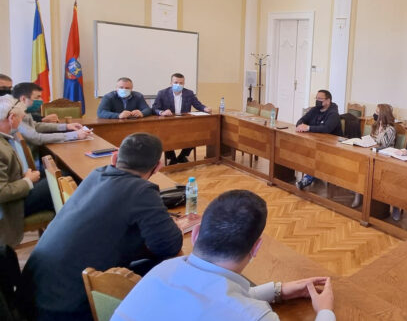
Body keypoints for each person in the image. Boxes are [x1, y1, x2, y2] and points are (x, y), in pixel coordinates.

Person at [20, 133, 183, 321]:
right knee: (168, 271)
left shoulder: (96, 175)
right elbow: (168, 246)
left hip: (31, 296)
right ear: (157, 167)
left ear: (114, 157)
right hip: (64, 310)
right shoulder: (142, 191)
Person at [112, 190, 336, 321]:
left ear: (196, 233)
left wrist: (278, 291)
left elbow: (215, 297)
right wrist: (325, 311)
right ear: (256, 248)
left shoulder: (163, 269)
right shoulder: (256, 316)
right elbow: (227, 303)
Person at [0, 96, 47, 247]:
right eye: (20, 118)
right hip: (11, 207)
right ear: (11, 118)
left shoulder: (6, 137)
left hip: (18, 189)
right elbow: (2, 192)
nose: (21, 122)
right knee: (58, 185)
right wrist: (27, 181)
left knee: (59, 176)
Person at [152, 73, 211, 165]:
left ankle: (182, 156)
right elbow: (154, 108)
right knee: (165, 136)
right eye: (176, 82)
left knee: (196, 134)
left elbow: (197, 104)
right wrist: (162, 112)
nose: (178, 85)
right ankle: (172, 158)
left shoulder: (189, 93)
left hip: (184, 123)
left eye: (181, 83)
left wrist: (205, 108)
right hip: (168, 124)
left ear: (184, 84)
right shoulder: (162, 93)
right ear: (171, 83)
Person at [12, 82, 90, 146]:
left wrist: (66, 126)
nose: (41, 100)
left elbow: (36, 126)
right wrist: (74, 135)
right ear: (23, 99)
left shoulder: (23, 111)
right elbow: (37, 138)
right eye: (37, 97)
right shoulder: (15, 115)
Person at [295, 90, 342, 190]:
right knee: (300, 148)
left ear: (328, 101)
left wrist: (308, 128)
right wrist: (300, 125)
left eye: (320, 99)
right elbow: (302, 119)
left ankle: (307, 179)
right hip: (315, 141)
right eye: (316, 98)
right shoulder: (315, 109)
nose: (317, 101)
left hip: (331, 146)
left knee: (316, 154)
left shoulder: (333, 114)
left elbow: (326, 128)